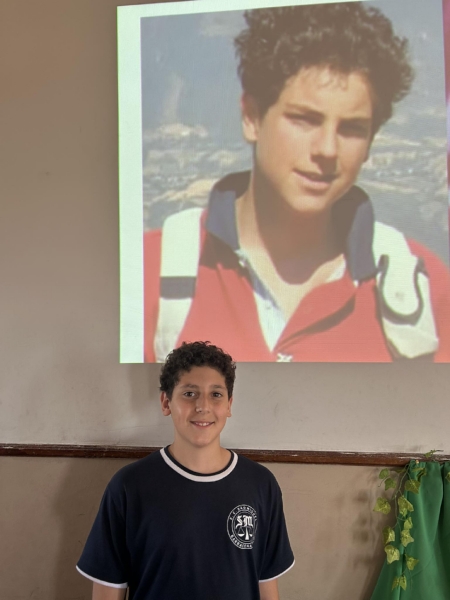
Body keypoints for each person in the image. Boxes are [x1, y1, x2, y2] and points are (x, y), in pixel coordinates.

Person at [144, 3, 450, 363]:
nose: (327, 149)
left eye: (352, 129)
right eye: (305, 120)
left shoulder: (423, 290)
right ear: (252, 117)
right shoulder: (150, 271)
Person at [77, 341, 294, 599]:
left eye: (216, 394)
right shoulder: (129, 486)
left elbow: (266, 585)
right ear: (166, 402)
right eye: (189, 393)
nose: (203, 406)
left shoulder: (260, 484)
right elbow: (107, 590)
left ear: (229, 405)